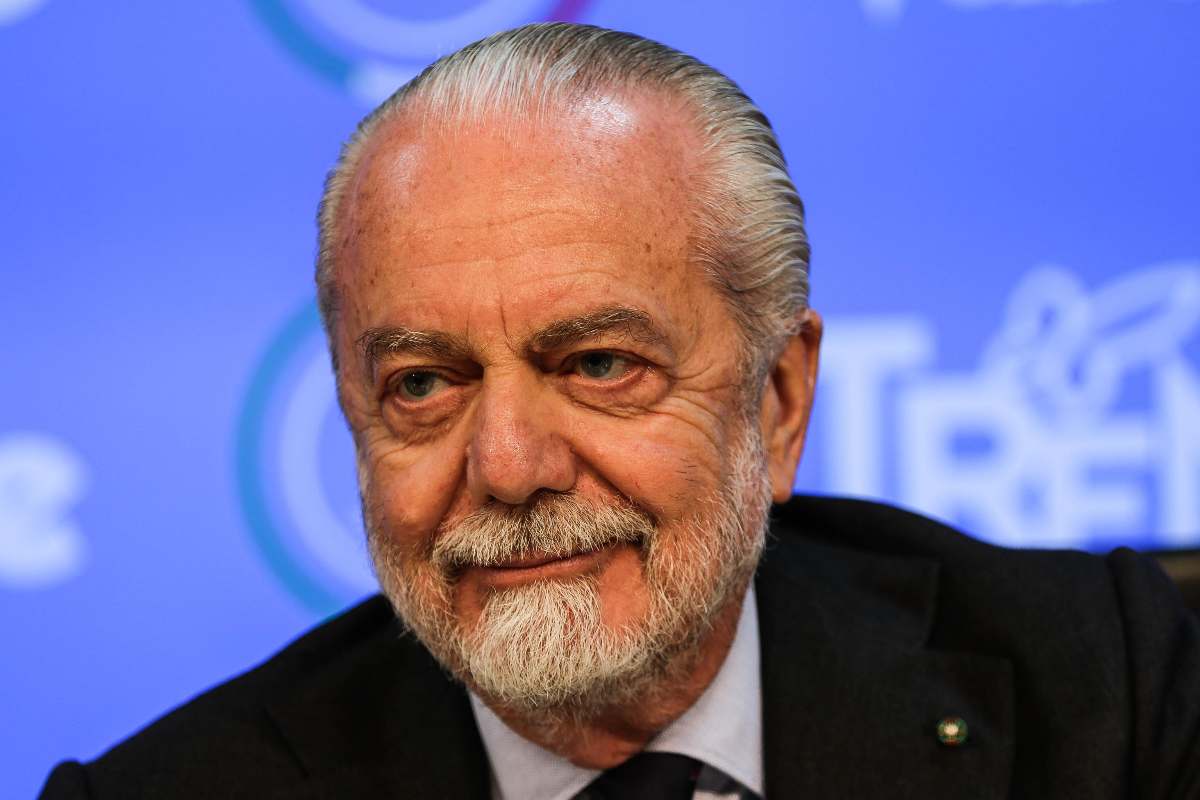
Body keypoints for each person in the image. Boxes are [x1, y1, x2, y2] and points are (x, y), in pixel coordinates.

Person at [40, 23, 1200, 799]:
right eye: (424, 384)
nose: (509, 465)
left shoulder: (1104, 687)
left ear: (778, 398)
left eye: (599, 363)